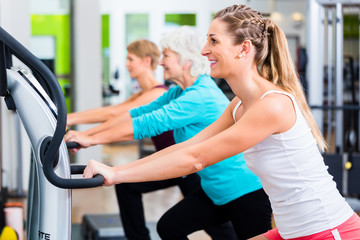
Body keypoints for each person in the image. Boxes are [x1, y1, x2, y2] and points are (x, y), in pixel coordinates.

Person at [81, 4, 360, 240]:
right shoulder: (238, 104)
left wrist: (117, 174)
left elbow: (195, 158)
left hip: (328, 230)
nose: (204, 50)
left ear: (244, 49)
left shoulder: (272, 105)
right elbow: (188, 146)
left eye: (213, 41)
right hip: (291, 231)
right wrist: (115, 170)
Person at [66, 26, 272, 239]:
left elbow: (147, 124)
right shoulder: (179, 92)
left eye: (166, 56)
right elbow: (138, 114)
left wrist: (90, 139)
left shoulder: (199, 96)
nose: (161, 62)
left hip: (245, 191)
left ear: (186, 62)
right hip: (214, 190)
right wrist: (88, 136)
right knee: (170, 226)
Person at [67, 39, 167, 128]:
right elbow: (112, 109)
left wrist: (70, 120)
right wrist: (69, 117)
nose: (126, 64)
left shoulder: (157, 93)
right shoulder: (141, 94)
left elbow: (113, 113)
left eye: (131, 59)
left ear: (147, 61)